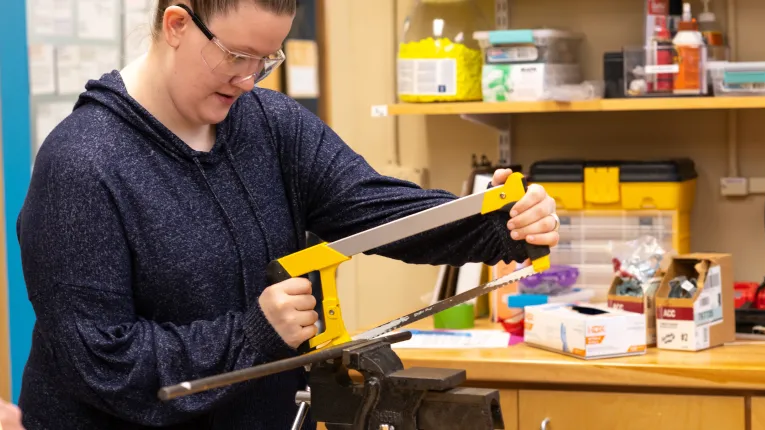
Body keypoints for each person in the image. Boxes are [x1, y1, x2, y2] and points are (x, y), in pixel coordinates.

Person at [15, 0, 560, 429]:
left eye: (266, 59)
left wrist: (496, 222)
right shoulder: (83, 164)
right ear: (177, 24)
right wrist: (256, 333)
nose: (250, 79)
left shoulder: (270, 124)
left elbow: (375, 210)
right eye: (235, 56)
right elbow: (103, 362)